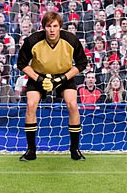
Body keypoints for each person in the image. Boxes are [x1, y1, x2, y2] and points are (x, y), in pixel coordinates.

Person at [15, 11, 88, 161]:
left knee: (72, 104)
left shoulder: (71, 40)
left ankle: (75, 150)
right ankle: (31, 151)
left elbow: (82, 63)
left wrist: (62, 78)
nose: (52, 30)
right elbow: (21, 64)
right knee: (30, 104)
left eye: (55, 26)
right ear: (43, 28)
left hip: (64, 76)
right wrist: (39, 79)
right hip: (38, 76)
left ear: (60, 27)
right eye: (49, 26)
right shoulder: (32, 40)